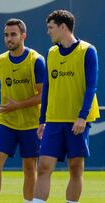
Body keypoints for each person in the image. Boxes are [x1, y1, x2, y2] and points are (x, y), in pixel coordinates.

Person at [33, 10, 99, 203]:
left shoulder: (88, 50)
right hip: (53, 120)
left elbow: (91, 86)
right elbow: (47, 89)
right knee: (44, 166)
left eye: (51, 27)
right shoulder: (51, 52)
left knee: (75, 167)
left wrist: (82, 116)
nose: (48, 32)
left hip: (77, 119)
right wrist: (42, 120)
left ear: (63, 27)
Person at [0, 19, 45, 203]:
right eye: (6, 35)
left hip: (31, 123)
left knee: (30, 167)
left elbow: (42, 96)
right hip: (7, 122)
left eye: (13, 34)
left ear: (23, 35)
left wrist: (17, 105)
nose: (9, 38)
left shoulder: (36, 60)